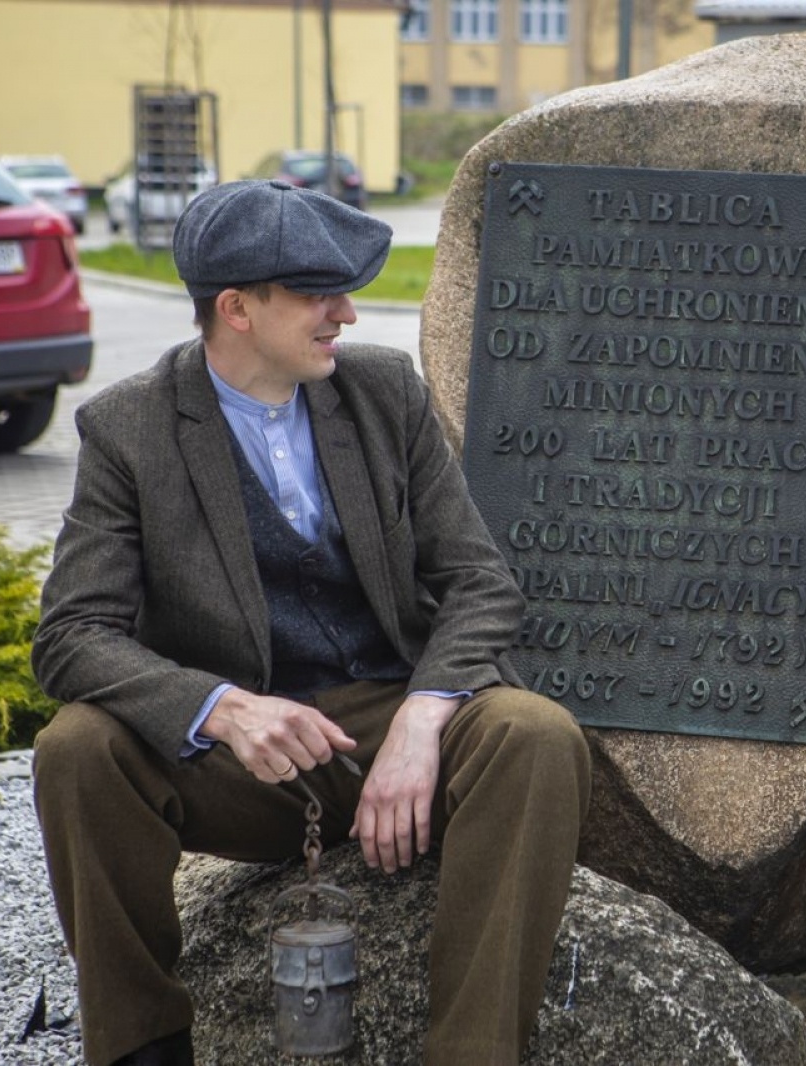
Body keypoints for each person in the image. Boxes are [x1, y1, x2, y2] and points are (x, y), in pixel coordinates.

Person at [30, 179, 591, 1066]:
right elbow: (69, 634)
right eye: (317, 293)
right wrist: (222, 707)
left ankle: (474, 1053)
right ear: (236, 308)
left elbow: (481, 582)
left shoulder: (383, 394)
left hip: (383, 717)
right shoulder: (130, 427)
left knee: (535, 734)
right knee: (76, 749)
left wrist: (423, 713)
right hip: (240, 762)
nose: (347, 315)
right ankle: (143, 1049)